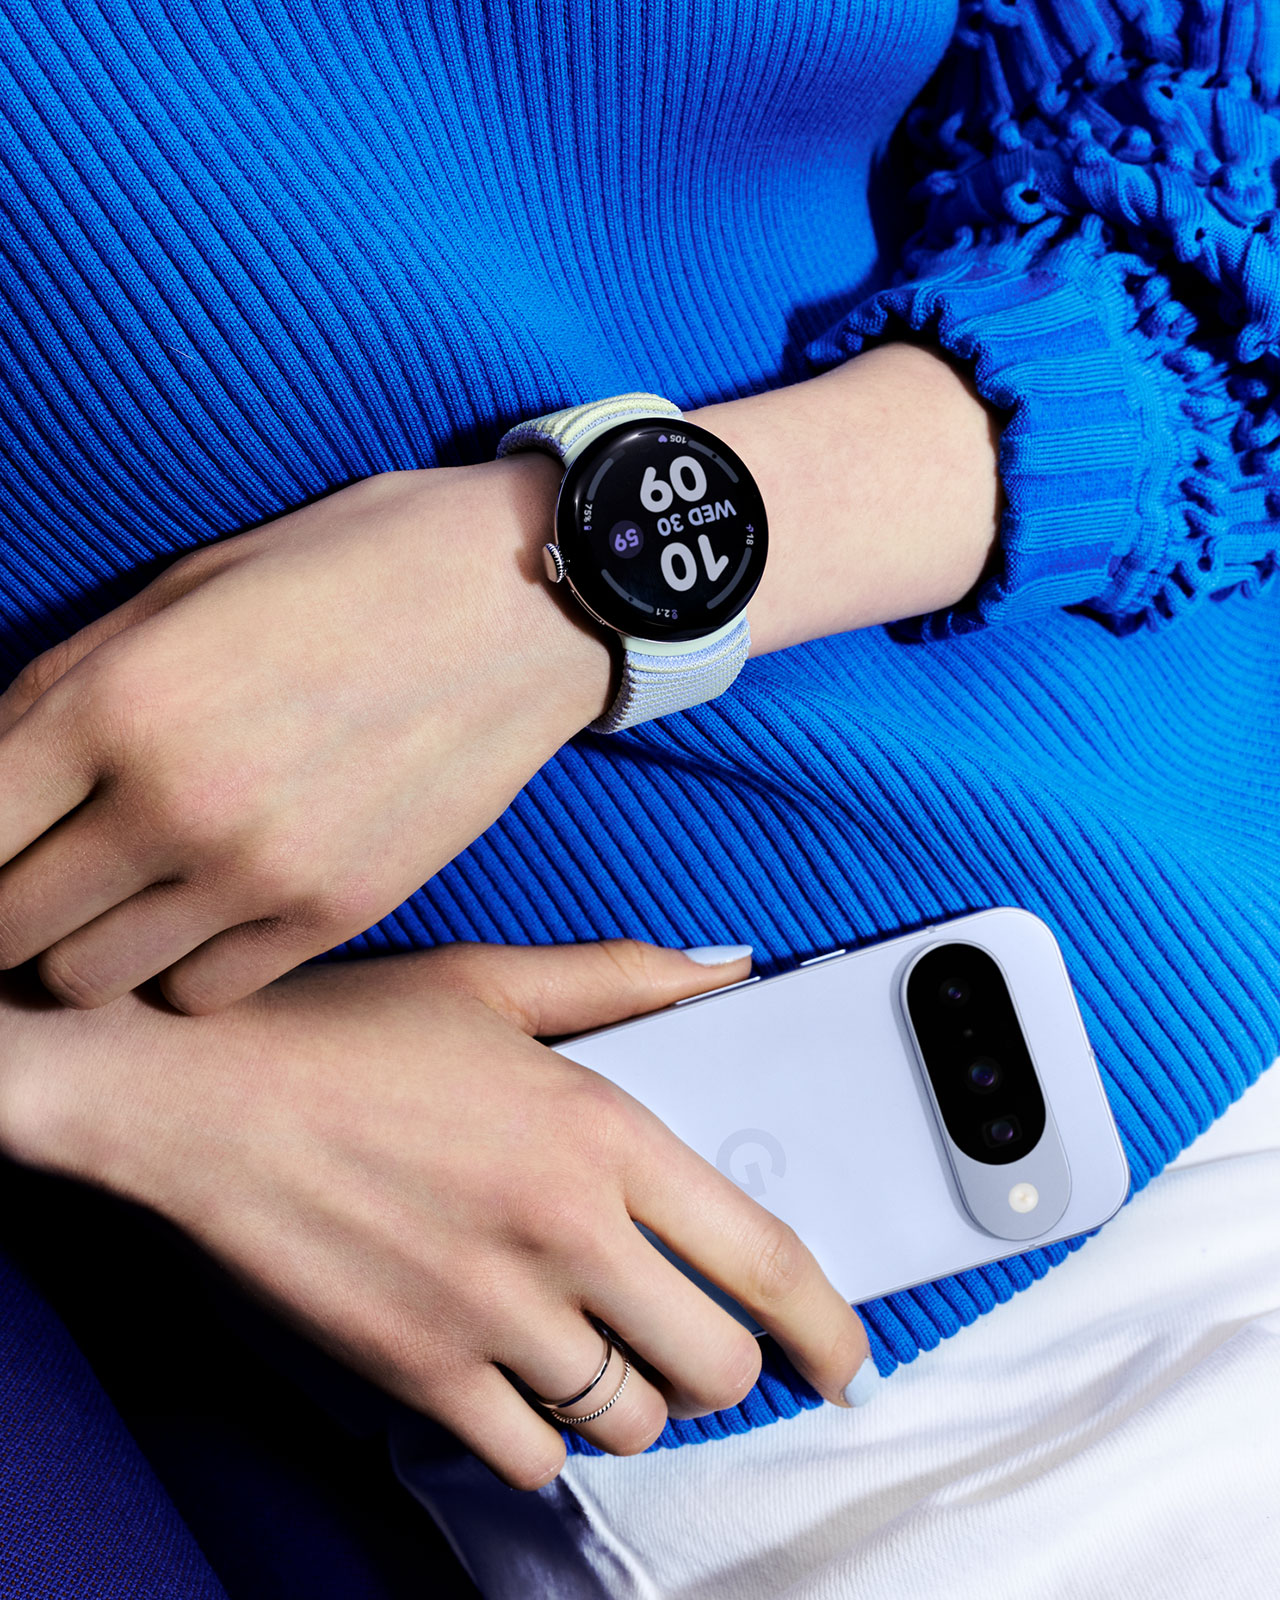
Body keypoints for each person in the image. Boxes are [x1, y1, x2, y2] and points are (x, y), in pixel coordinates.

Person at [0, 0, 1277, 1593]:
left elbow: (1220, 133)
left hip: (1215, 833)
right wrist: (105, 1090)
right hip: (800, 1379)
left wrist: (559, 591)